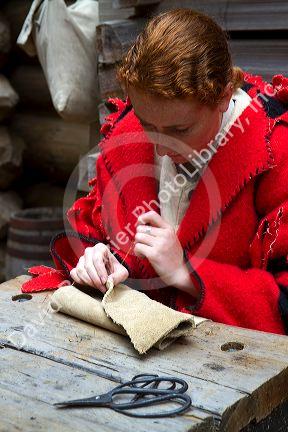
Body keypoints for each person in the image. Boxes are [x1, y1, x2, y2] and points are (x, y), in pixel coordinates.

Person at [50, 9, 288, 334]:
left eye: (180, 129)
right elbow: (99, 230)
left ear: (222, 96)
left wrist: (187, 273)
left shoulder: (275, 151)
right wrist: (103, 259)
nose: (161, 148)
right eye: (149, 125)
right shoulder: (124, 138)